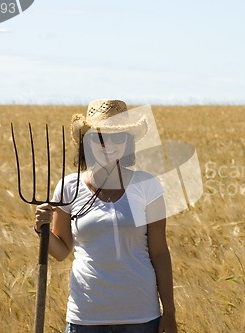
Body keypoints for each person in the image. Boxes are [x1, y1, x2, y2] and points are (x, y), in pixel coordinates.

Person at [34, 99, 177, 333]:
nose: (108, 144)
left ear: (127, 142)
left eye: (118, 137)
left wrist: (169, 312)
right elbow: (61, 251)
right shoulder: (69, 187)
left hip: (141, 315)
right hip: (86, 315)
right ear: (87, 142)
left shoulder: (146, 185)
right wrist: (42, 229)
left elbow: (160, 253)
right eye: (99, 136)